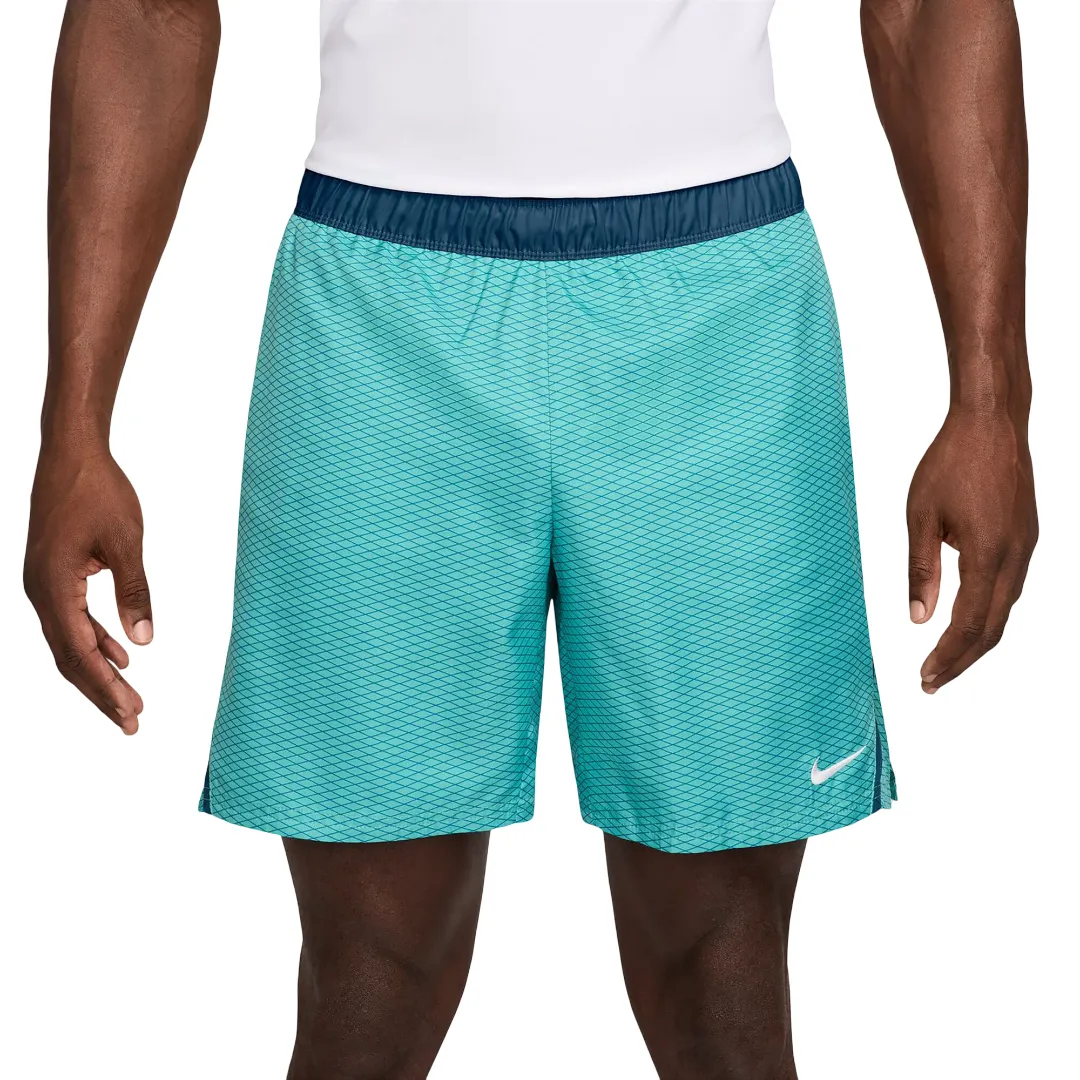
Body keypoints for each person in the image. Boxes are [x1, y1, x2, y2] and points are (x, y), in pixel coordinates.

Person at [23, 2, 1038, 1077]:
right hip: (376, 316)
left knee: (723, 967)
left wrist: (992, 396)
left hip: (719, 313)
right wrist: (74, 426)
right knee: (370, 977)